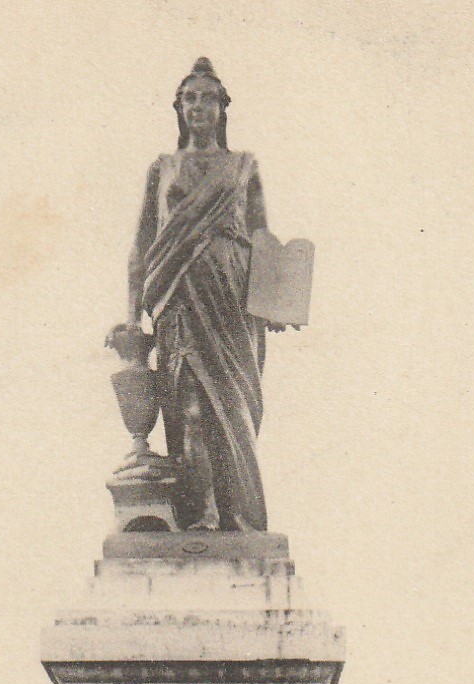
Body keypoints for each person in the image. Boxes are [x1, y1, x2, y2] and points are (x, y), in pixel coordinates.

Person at [123, 58, 281, 533]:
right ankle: (203, 513)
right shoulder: (162, 168)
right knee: (188, 402)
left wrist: (276, 300)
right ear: (178, 108)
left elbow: (262, 238)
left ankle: (238, 516)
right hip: (179, 294)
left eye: (208, 97)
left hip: (230, 298)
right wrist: (131, 316)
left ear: (222, 107)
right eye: (189, 98)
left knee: (230, 406)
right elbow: (142, 243)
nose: (198, 106)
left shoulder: (243, 167)